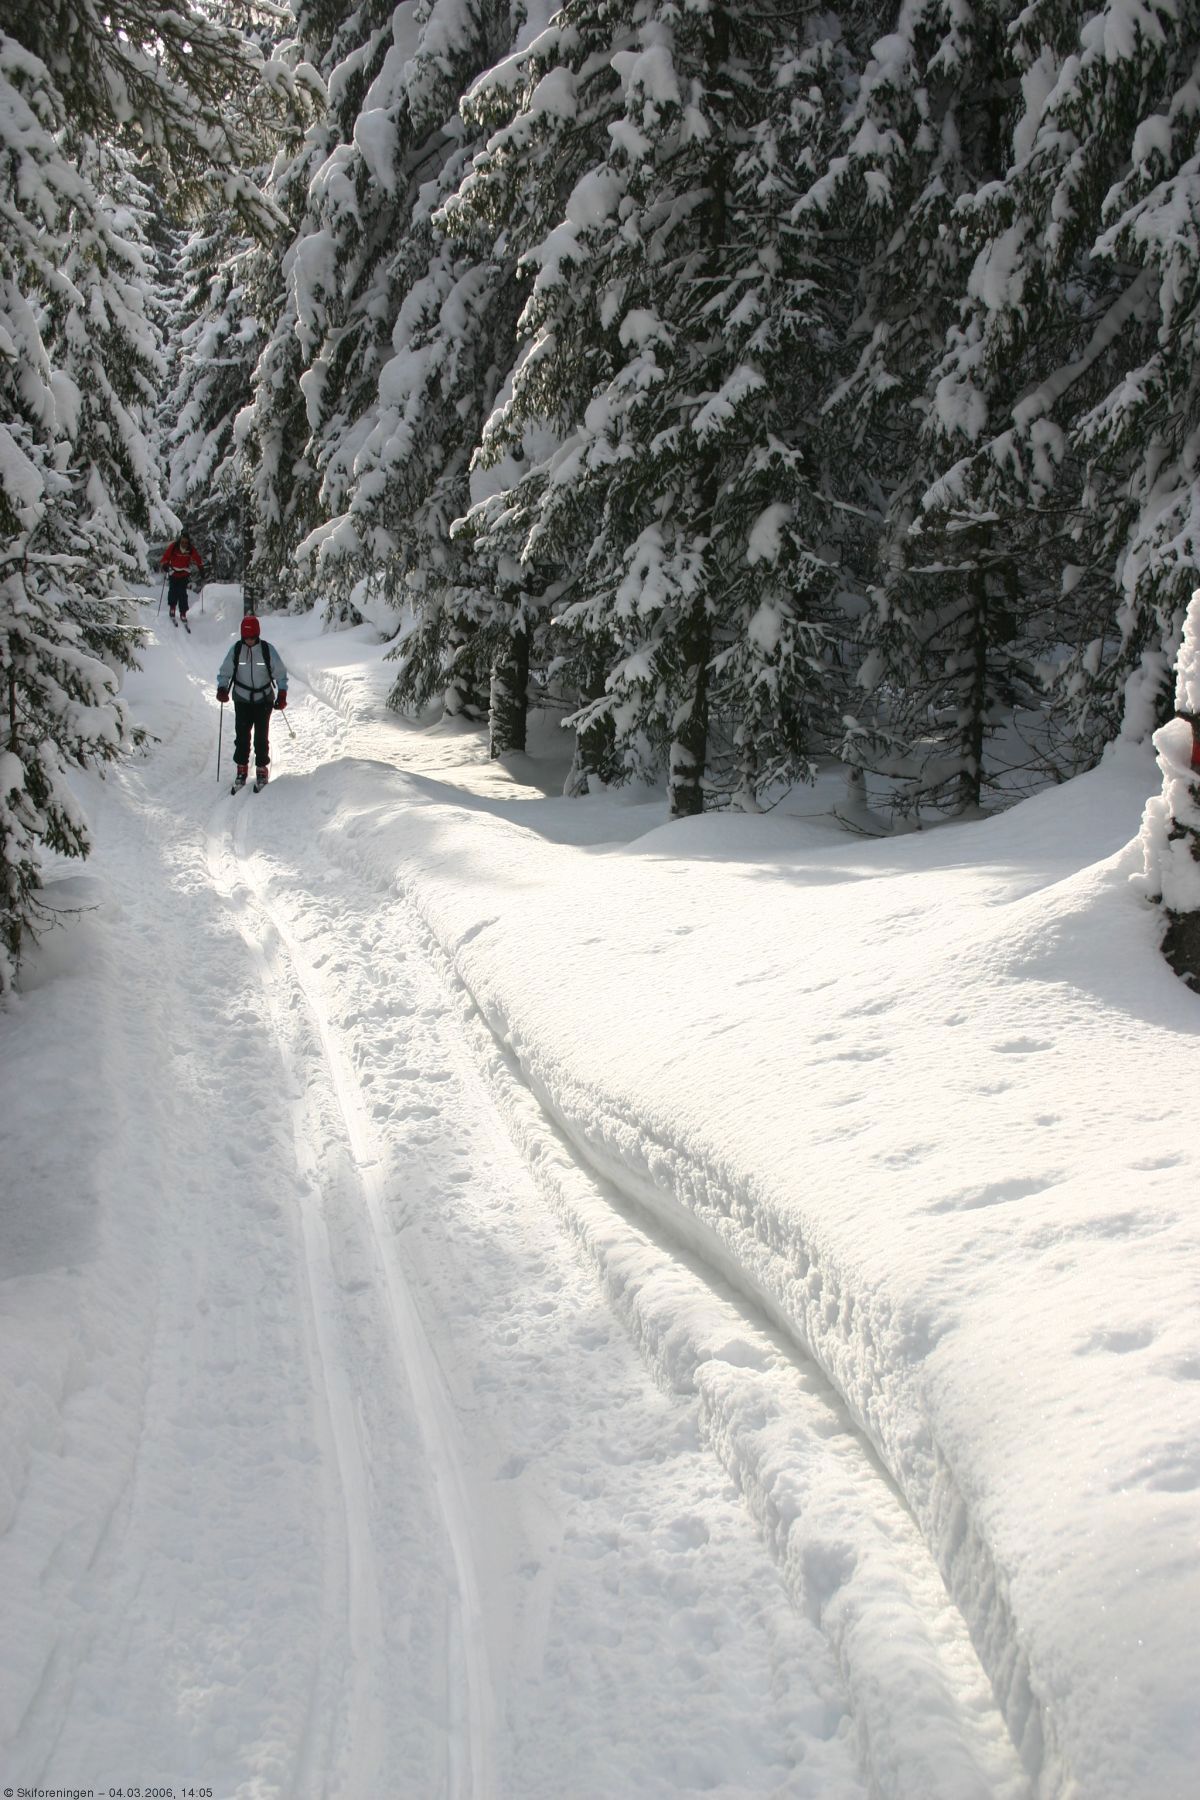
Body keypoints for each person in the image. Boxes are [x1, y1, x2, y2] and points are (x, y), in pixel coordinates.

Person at [216, 615, 288, 791]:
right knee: (242, 736)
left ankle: (262, 769)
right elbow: (225, 671)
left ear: (257, 635)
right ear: (242, 636)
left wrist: (282, 693)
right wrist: (222, 688)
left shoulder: (266, 650)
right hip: (242, 699)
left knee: (261, 736)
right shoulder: (236, 650)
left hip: (264, 699)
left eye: (252, 637)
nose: (249, 640)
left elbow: (280, 672)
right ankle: (241, 770)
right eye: (246, 637)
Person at [160, 532, 204, 628]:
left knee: (183, 594)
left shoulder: (190, 549)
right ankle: (172, 608)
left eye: (186, 542)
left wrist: (201, 568)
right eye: (183, 542)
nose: (184, 544)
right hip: (173, 572)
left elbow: (197, 558)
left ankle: (183, 613)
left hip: (184, 574)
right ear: (180, 540)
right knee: (173, 591)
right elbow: (165, 557)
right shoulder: (174, 547)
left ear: (188, 543)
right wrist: (165, 565)